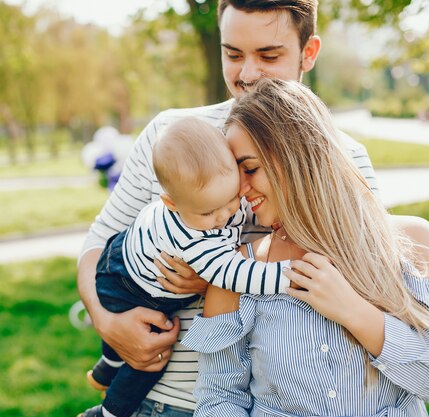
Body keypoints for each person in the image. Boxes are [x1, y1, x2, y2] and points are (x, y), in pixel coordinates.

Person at [77, 1, 383, 415]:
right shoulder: (168, 137)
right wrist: (106, 322)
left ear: (308, 53)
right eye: (233, 54)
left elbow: (358, 286)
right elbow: (98, 243)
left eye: (269, 55)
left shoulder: (346, 159)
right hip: (159, 398)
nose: (247, 74)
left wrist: (215, 278)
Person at [181, 78, 429, 416]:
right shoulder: (237, 271)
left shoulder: (414, 244)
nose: (240, 188)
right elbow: (219, 399)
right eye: (235, 173)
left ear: (300, 160)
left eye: (250, 168)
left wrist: (355, 313)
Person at [82, 116, 296, 417]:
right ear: (172, 203)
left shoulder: (209, 195)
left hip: (128, 255)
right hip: (127, 286)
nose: (224, 216)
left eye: (233, 199)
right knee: (149, 361)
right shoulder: (191, 235)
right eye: (210, 212)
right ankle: (109, 412)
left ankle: (105, 370)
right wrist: (287, 276)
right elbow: (235, 274)